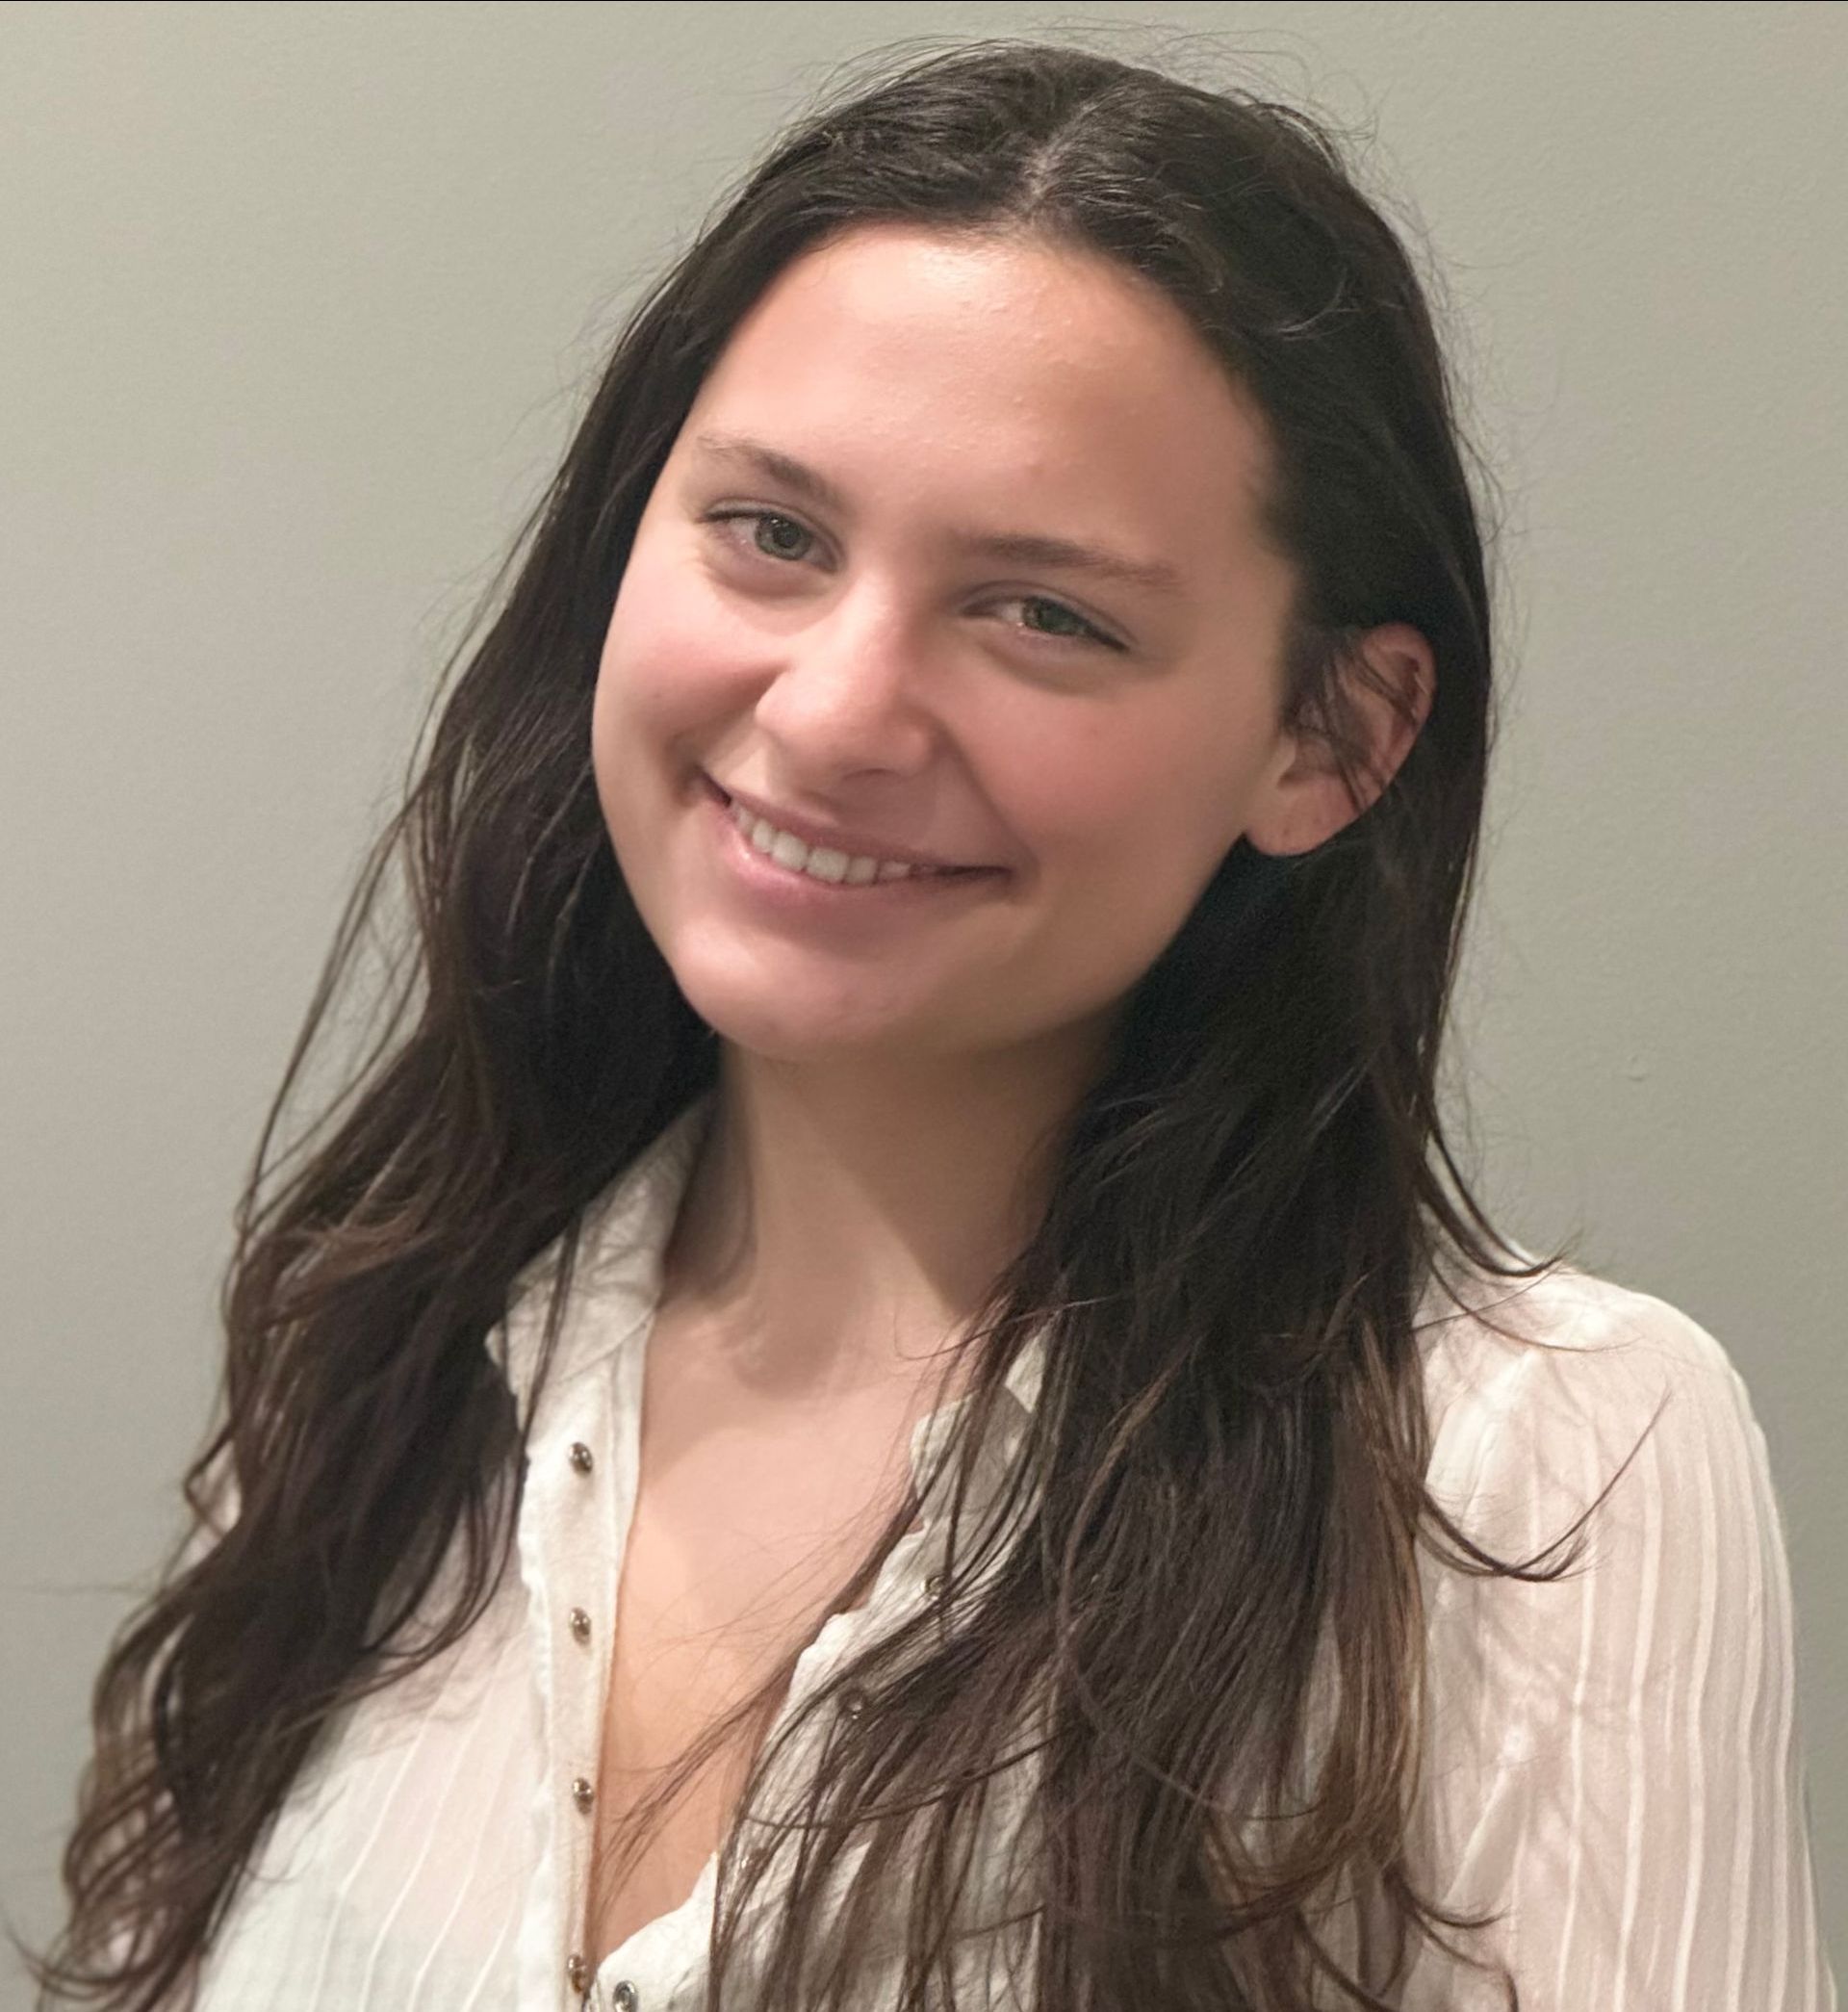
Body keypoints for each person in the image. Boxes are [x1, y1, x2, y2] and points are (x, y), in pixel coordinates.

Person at [22, 36, 1835, 2012]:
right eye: (772, 534)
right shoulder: (380, 1352)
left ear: (1334, 736)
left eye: (1043, 612)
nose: (830, 711)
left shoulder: (1526, 1472)